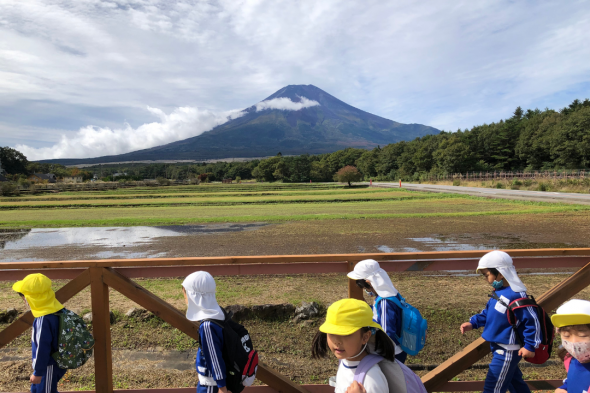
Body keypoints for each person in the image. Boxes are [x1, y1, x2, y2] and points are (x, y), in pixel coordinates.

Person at [460, 250, 541, 393]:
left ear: (500, 273)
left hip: (507, 351)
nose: (486, 278)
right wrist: (473, 323)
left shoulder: (516, 295)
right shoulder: (499, 293)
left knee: (492, 388)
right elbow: (489, 314)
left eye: (487, 275)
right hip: (500, 347)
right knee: (515, 385)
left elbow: (532, 320)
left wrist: (530, 346)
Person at [311, 298, 396, 393]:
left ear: (365, 337)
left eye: (345, 334)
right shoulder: (345, 360)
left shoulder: (371, 378)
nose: (337, 341)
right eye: (331, 333)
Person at [12, 273, 66, 393]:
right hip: (56, 361)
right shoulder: (57, 311)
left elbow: (42, 347)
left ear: (30, 298)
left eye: (24, 297)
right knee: (37, 390)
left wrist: (38, 372)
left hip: (48, 365)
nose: (24, 301)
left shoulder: (43, 319)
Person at [347, 259, 407, 363]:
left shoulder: (385, 302)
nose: (362, 288)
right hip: (396, 349)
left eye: (360, 285)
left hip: (390, 353)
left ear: (368, 282)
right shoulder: (391, 293)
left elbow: (387, 332)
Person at [182, 271, 227, 393]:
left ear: (192, 295)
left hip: (211, 385)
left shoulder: (207, 326)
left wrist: (222, 388)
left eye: (184, 292)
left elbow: (214, 358)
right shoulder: (219, 314)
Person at [551, 299, 590, 393]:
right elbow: (574, 380)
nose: (574, 342)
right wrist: (563, 388)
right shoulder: (570, 359)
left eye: (582, 335)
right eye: (566, 335)